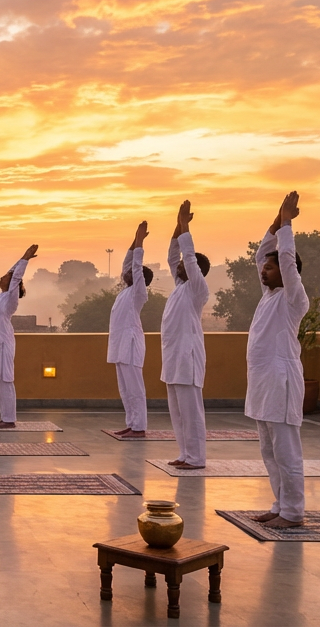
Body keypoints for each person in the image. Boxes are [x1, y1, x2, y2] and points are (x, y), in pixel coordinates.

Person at [245, 191, 310, 528]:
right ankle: (280, 504)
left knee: (286, 452)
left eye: (270, 268)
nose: (264, 272)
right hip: (262, 385)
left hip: (281, 383)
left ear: (287, 272)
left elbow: (285, 256)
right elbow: (262, 255)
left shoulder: (293, 299)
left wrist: (286, 224)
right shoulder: (269, 297)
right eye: (265, 268)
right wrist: (275, 219)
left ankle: (294, 512)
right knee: (269, 452)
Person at [162, 200, 211, 469]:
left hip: (188, 358)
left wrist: (186, 228)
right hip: (173, 358)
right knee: (178, 412)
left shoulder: (197, 290)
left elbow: (189, 259)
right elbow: (173, 257)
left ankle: (197, 457)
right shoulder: (180, 287)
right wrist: (176, 227)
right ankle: (185, 454)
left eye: (184, 264)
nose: (179, 265)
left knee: (191, 413)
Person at [0, 244, 40, 429]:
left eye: (5, 277)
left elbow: (15, 276)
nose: (2, 277)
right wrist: (21, 259)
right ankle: (4, 416)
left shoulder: (10, 299)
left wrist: (25, 259)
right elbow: (12, 272)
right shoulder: (0, 296)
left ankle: (9, 419)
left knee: (5, 381)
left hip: (2, 344)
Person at [108, 221, 152, 438]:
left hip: (131, 345)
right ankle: (131, 423)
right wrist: (134, 240)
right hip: (119, 346)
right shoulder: (126, 291)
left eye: (132, 273)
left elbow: (135, 266)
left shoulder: (138, 293)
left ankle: (139, 427)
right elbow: (129, 264)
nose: (125, 273)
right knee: (125, 389)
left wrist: (141, 242)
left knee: (135, 388)